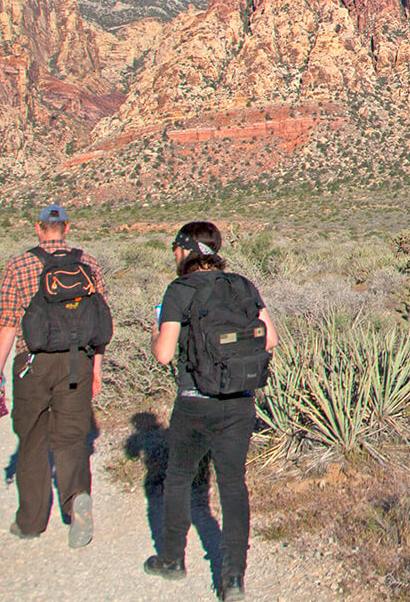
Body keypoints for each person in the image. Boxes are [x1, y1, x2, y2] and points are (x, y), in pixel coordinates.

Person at [145, 222, 278, 601]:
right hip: (239, 401)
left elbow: (164, 353)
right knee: (233, 485)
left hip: (194, 402)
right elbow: (271, 338)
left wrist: (155, 331)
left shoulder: (179, 290)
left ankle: (172, 559)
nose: (173, 253)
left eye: (175, 247)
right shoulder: (242, 286)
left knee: (179, 478)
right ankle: (233, 577)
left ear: (187, 249)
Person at [0, 204, 109, 547]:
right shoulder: (89, 263)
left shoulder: (20, 265)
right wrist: (96, 367)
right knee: (72, 438)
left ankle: (30, 521)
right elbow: (99, 324)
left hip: (33, 363)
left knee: (32, 439)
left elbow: (9, 324)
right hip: (78, 362)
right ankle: (76, 501)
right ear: (66, 227)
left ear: (39, 229)